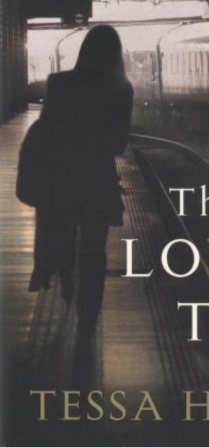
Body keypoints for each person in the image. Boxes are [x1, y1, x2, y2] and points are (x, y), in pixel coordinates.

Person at [28, 25, 133, 336]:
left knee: (63, 238)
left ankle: (66, 288)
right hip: (98, 182)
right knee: (93, 250)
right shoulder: (122, 88)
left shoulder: (59, 83)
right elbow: (118, 145)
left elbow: (46, 132)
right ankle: (88, 312)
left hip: (61, 179)